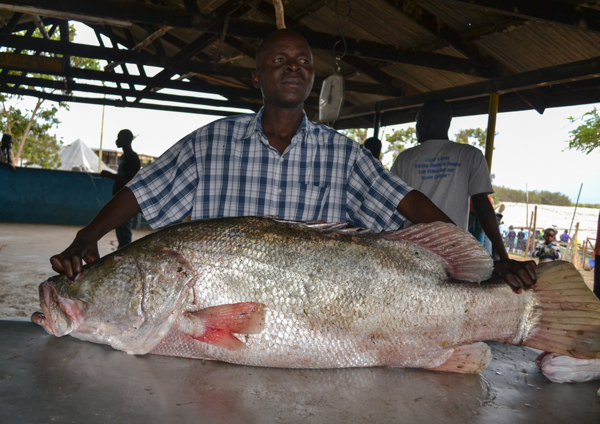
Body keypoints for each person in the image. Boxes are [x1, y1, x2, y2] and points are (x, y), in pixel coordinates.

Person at [50, 31, 534, 294]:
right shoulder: (212, 141)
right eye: (279, 60)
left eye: (302, 61)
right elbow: (144, 190)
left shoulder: (342, 155)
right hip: (218, 303)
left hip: (311, 310)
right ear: (256, 74)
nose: (293, 67)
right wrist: (86, 236)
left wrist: (481, 261)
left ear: (312, 78)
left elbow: (407, 204)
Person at [390, 99, 536, 291]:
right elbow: (483, 207)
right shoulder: (469, 155)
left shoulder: (405, 158)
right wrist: (503, 255)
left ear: (423, 123)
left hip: (412, 250)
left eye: (416, 121)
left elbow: (392, 206)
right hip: (455, 253)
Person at [100, 129, 141, 249]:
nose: (117, 140)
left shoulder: (132, 158)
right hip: (119, 197)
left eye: (119, 138)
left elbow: (130, 180)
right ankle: (122, 251)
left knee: (124, 230)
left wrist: (110, 175)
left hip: (126, 199)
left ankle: (124, 254)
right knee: (120, 229)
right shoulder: (124, 156)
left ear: (127, 140)